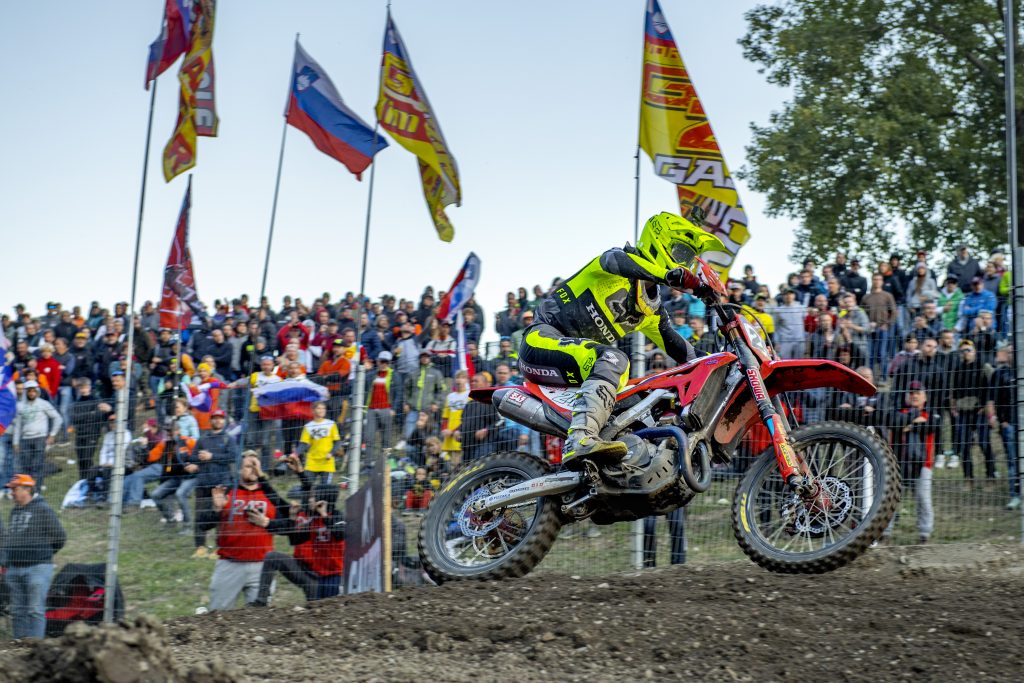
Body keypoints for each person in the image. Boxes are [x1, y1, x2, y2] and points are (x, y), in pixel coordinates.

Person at [520, 212, 722, 467]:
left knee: (642, 404)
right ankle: (580, 439)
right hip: (541, 341)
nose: (684, 265)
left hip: (580, 371)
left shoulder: (650, 310)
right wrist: (668, 275)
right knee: (615, 358)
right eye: (681, 254)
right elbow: (615, 261)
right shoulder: (616, 262)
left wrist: (720, 364)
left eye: (688, 260)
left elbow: (685, 353)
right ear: (658, 241)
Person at [253, 457, 345, 605]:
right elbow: (294, 537)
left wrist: (301, 473)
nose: (310, 499)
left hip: (328, 576)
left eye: (313, 498)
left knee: (322, 610)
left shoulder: (332, 516)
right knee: (272, 557)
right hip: (304, 570)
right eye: (310, 497)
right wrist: (280, 522)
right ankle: (261, 601)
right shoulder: (303, 515)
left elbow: (340, 533)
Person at [203, 453, 288, 610]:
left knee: (260, 621)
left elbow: (288, 526)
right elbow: (203, 524)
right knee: (218, 616)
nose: (254, 470)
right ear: (239, 470)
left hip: (262, 567)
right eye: (249, 466)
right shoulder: (226, 492)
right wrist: (216, 509)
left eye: (257, 465)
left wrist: (267, 523)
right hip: (229, 565)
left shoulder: (269, 494)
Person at [0, 474, 66, 639]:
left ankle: (35, 646)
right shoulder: (15, 511)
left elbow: (60, 536)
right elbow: (10, 538)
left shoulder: (43, 509)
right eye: (11, 489)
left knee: (35, 609)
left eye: (15, 489)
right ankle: (19, 645)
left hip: (37, 567)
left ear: (27, 489)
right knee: (17, 610)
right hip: (15, 568)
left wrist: (44, 554)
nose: (12, 493)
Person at [885, 381, 940, 544]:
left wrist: (910, 426)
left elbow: (932, 426)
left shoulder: (932, 415)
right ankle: (885, 532)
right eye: (911, 393)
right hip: (898, 463)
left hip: (923, 464)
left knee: (923, 497)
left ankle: (925, 533)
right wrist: (915, 420)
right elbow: (894, 423)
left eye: (918, 393)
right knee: (891, 497)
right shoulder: (898, 412)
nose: (914, 395)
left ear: (925, 396)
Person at [189, 409, 238, 558]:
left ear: (224, 421)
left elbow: (233, 457)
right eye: (215, 418)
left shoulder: (228, 439)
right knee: (199, 515)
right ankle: (200, 547)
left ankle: (220, 547)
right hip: (203, 482)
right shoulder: (203, 439)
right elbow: (193, 457)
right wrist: (196, 462)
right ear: (210, 421)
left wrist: (211, 456)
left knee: (220, 516)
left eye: (220, 418)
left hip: (221, 483)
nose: (218, 421)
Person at [985, 341, 1020, 509]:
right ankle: (1015, 496)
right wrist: (994, 418)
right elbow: (991, 399)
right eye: (1011, 352)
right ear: (1007, 354)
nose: (1013, 354)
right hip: (1009, 424)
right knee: (1013, 461)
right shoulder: (999, 374)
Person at [11, 380, 62, 489]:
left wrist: (52, 435)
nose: (31, 393)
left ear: (37, 391)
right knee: (26, 466)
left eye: (34, 391)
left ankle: (37, 491)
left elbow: (58, 418)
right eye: (29, 391)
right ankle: (27, 490)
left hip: (40, 438)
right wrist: (15, 442)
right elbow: (18, 425)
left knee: (38, 465)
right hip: (25, 439)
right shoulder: (19, 406)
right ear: (26, 392)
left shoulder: (44, 403)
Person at [296, 401, 341, 484]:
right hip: (311, 462)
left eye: (323, 408)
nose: (322, 410)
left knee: (324, 490)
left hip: (327, 462)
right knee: (307, 487)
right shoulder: (308, 426)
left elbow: (337, 442)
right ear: (313, 411)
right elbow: (303, 444)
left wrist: (331, 453)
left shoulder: (331, 424)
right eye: (319, 408)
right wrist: (295, 454)